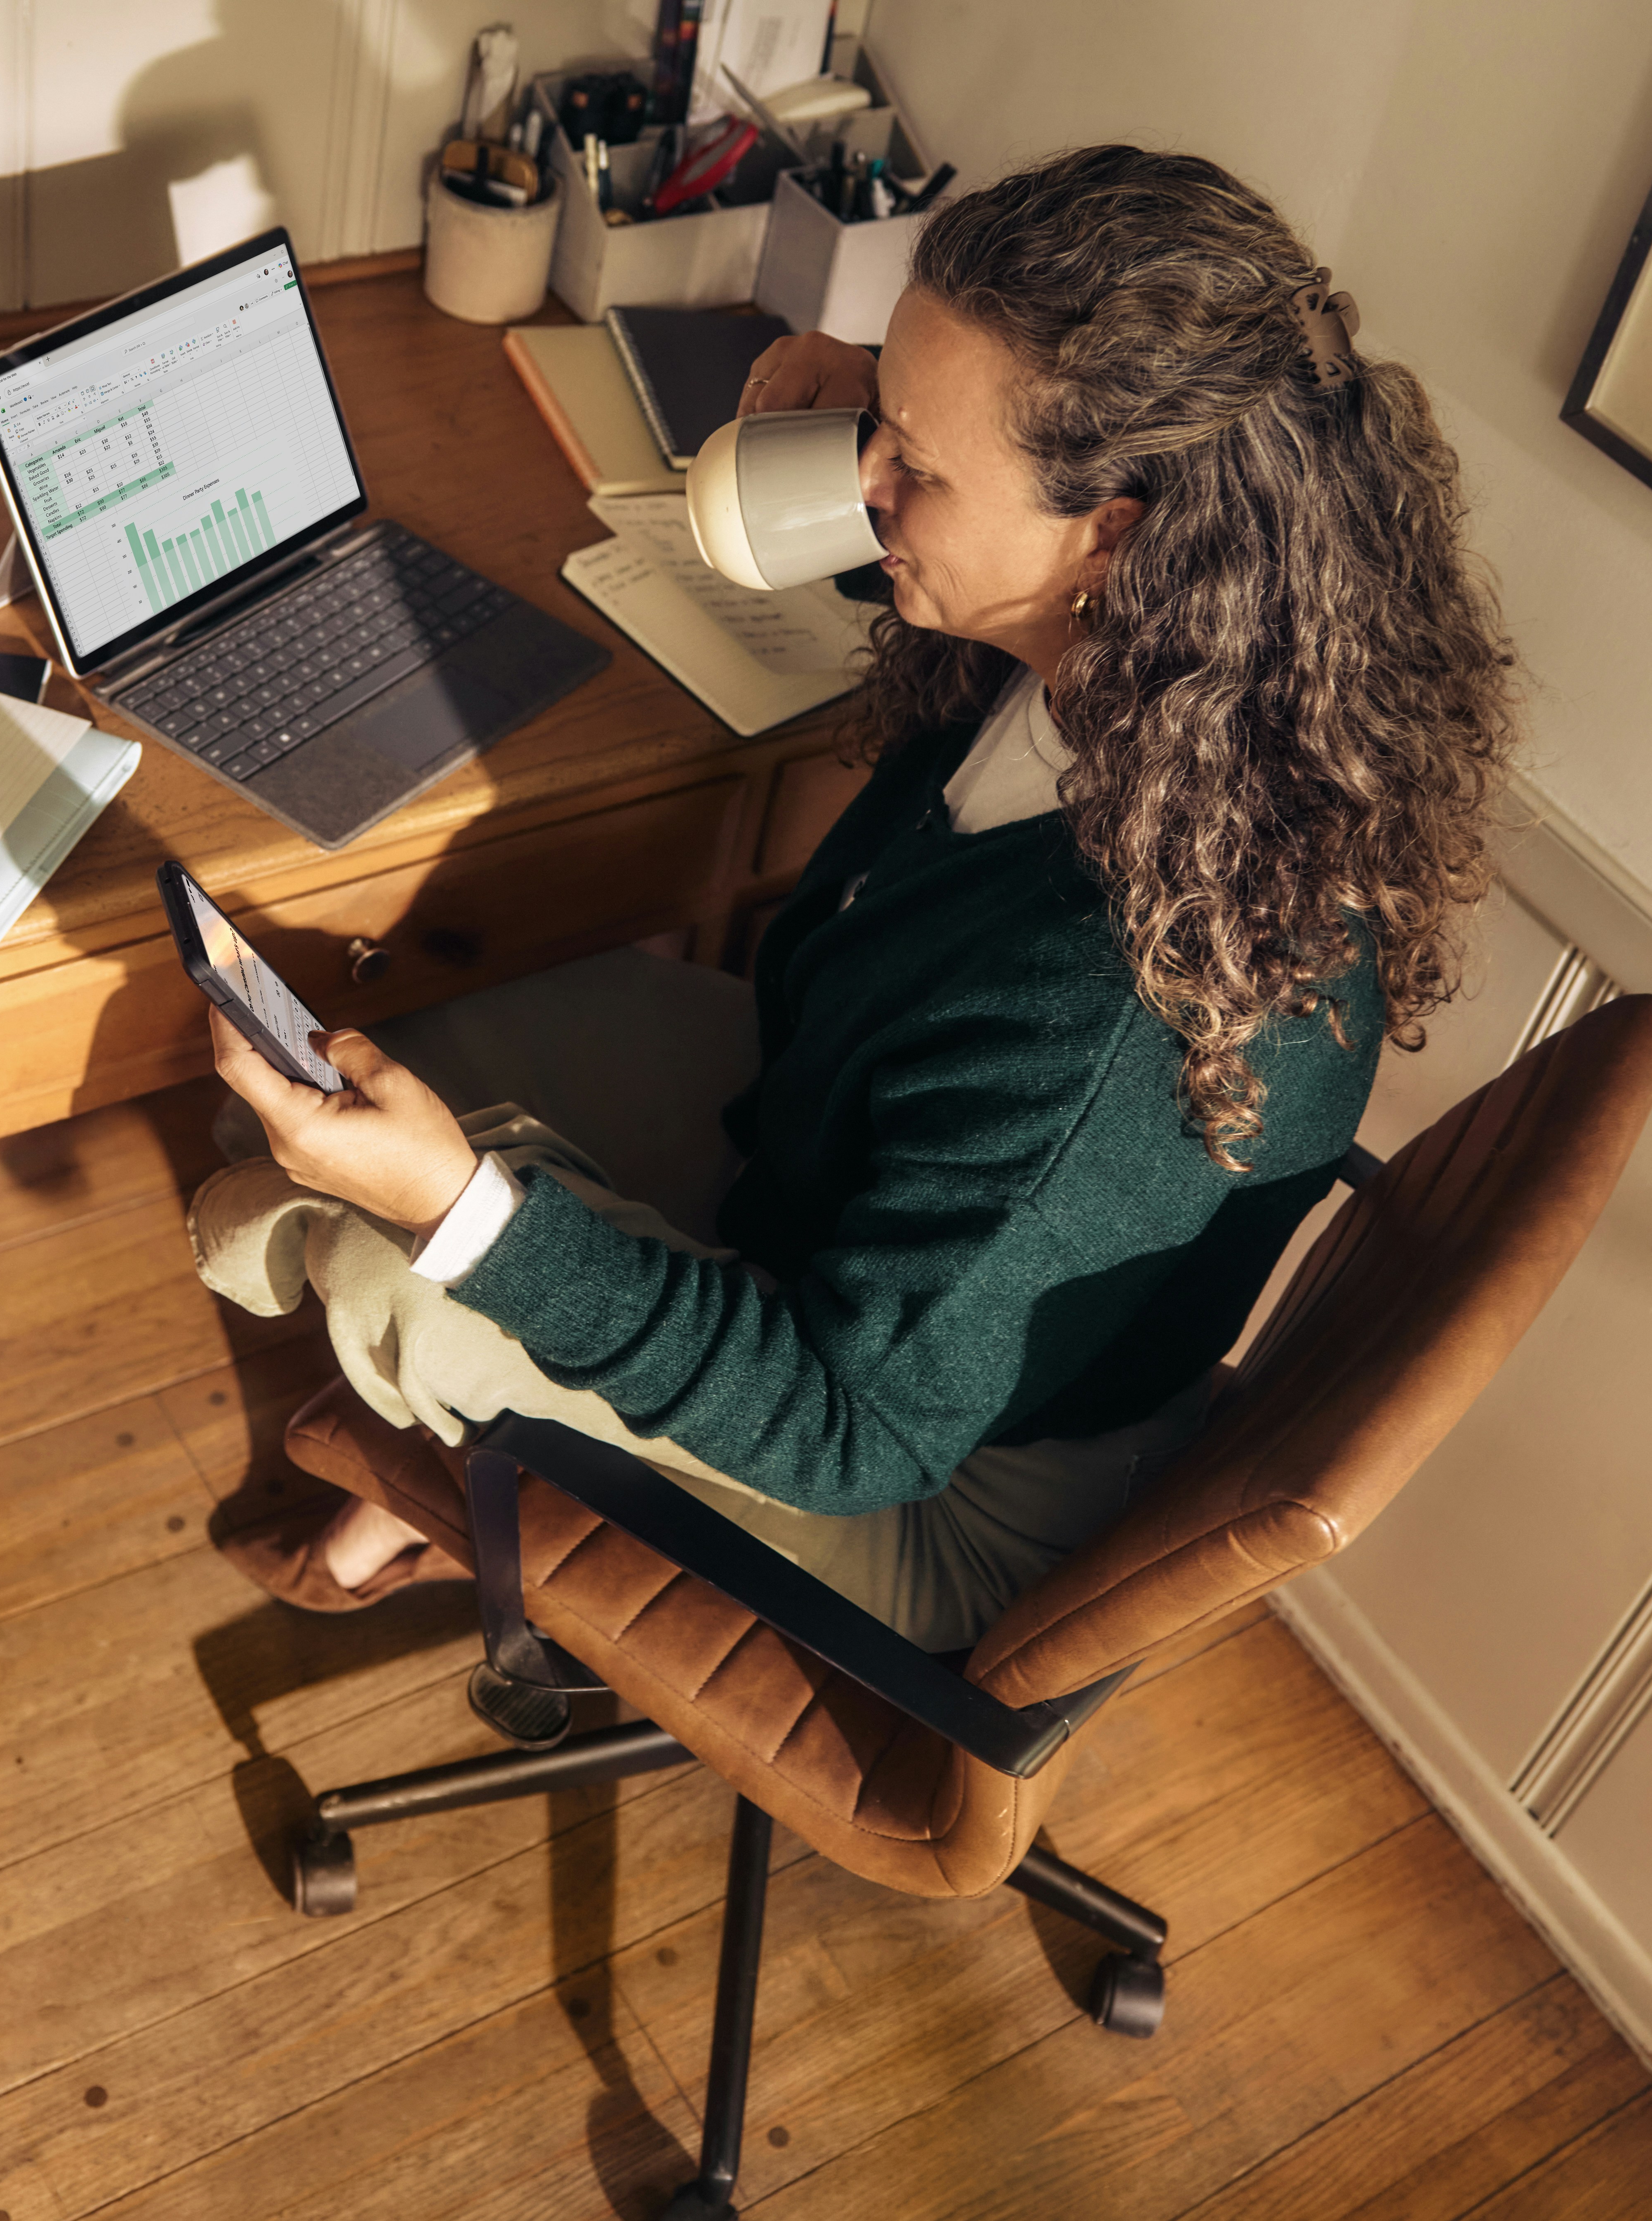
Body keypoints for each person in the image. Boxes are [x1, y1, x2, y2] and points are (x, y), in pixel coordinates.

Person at [190, 145, 1517, 1652]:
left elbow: (848, 1431)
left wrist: (457, 1214)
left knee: (389, 1239)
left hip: (922, 1480)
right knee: (414, 1017)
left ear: (1119, 532)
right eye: (880, 421)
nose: (871, 490)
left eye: (918, 470)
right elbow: (906, 564)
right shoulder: (1165, 669)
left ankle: (445, 1471)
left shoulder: (1107, 1017)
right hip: (846, 1168)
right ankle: (487, 1421)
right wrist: (876, 425)